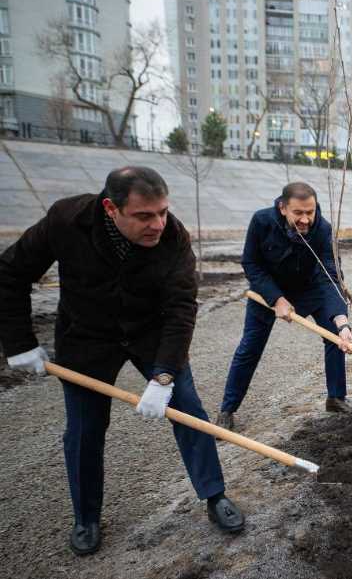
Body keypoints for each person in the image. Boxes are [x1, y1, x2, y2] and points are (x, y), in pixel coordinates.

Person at [0, 167, 244, 556]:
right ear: (111, 208)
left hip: (151, 333)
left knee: (188, 407)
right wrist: (19, 343)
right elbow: (9, 272)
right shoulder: (66, 220)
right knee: (84, 429)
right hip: (86, 338)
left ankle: (215, 495)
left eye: (163, 212)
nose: (158, 224)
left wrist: (164, 375)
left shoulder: (173, 237)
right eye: (145, 216)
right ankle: (86, 517)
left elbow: (182, 308)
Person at [218, 182, 352, 427]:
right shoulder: (261, 222)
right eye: (298, 213)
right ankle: (227, 410)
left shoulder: (322, 230)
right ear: (283, 208)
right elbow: (251, 264)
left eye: (310, 212)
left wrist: (343, 322)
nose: (305, 219)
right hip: (267, 291)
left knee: (336, 337)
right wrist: (277, 299)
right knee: (250, 347)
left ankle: (336, 398)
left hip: (309, 289)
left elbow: (330, 276)